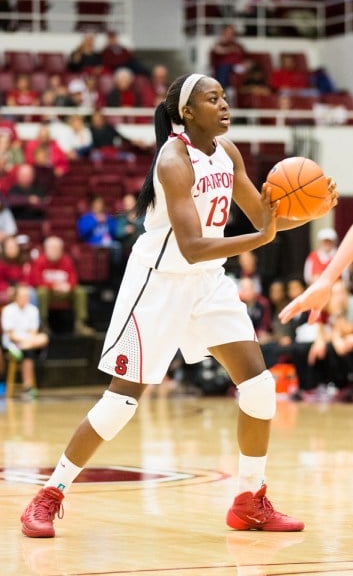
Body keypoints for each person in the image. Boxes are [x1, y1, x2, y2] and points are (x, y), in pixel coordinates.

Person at [21, 72, 337, 539]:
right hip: (160, 282)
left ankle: (250, 499)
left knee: (259, 387)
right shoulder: (173, 159)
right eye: (213, 99)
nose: (225, 105)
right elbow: (191, 245)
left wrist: (309, 211)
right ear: (187, 112)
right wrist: (263, 237)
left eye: (225, 97)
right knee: (120, 403)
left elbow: (263, 217)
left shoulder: (227, 153)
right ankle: (48, 495)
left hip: (207, 280)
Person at [279, 223, 353, 326]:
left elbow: (345, 281)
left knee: (337, 290)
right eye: (325, 241)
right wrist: (325, 282)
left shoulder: (337, 256)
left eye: (329, 241)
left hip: (335, 293)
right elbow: (309, 278)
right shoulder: (313, 257)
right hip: (323, 292)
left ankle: (336, 329)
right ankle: (325, 331)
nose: (327, 244)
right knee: (317, 289)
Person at [29, 236, 94, 336]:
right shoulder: (39, 261)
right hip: (49, 293)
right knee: (41, 292)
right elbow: (36, 281)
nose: (54, 251)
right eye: (52, 248)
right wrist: (53, 286)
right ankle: (43, 325)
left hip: (64, 292)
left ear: (61, 250)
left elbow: (73, 277)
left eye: (57, 248)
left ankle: (80, 324)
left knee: (80, 291)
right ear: (46, 249)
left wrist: (68, 286)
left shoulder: (66, 260)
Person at [1, 284, 49, 399]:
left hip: (28, 343)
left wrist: (26, 343)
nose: (26, 298)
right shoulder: (8, 310)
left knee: (43, 338)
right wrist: (26, 341)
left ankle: (28, 388)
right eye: (23, 295)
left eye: (27, 295)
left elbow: (34, 332)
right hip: (11, 344)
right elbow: (11, 335)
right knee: (29, 353)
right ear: (16, 297)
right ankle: (28, 387)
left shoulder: (33, 310)